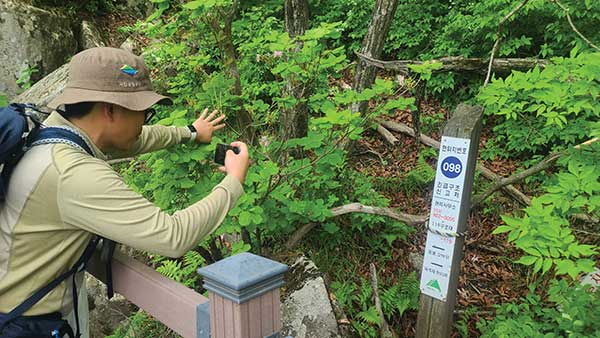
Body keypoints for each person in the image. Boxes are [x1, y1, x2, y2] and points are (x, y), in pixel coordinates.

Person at [0, 47, 249, 337]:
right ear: (110, 109)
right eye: (143, 111)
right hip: (23, 325)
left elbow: (135, 139)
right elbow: (172, 236)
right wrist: (234, 181)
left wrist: (190, 132)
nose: (144, 120)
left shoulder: (48, 131)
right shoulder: (75, 174)